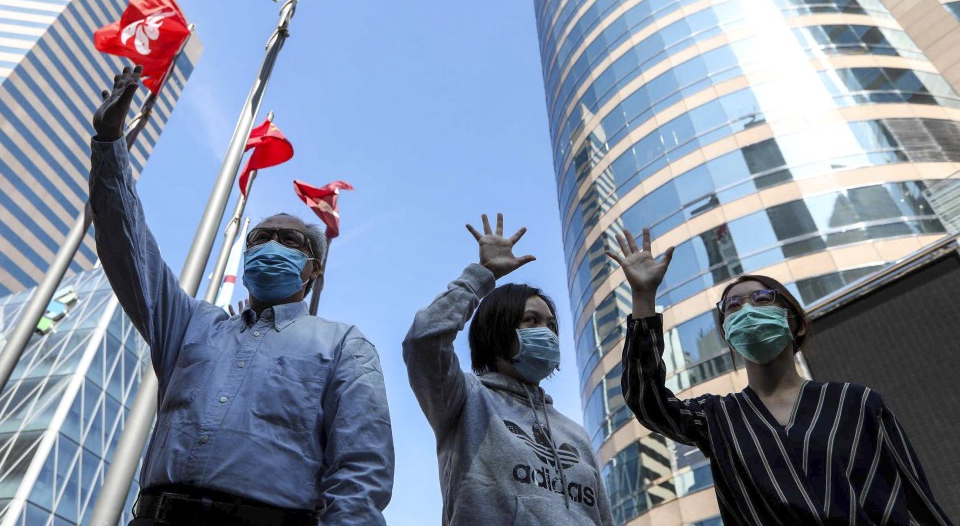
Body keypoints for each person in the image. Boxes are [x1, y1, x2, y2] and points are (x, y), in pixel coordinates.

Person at [90, 67, 394, 526]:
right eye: (260, 238)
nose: (272, 246)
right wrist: (110, 144)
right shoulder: (191, 324)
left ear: (314, 270)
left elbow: (361, 469)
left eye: (290, 241)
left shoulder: (343, 345)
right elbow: (125, 242)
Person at [610, 227, 953, 526]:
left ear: (797, 322)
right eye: (733, 306)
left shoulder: (857, 402)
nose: (747, 309)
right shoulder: (716, 417)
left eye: (762, 299)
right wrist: (643, 297)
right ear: (728, 333)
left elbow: (916, 499)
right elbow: (648, 401)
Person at [403, 213, 615, 525]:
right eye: (532, 321)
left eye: (552, 326)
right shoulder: (464, 400)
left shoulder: (576, 434)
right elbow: (424, 339)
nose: (547, 333)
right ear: (498, 329)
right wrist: (481, 276)